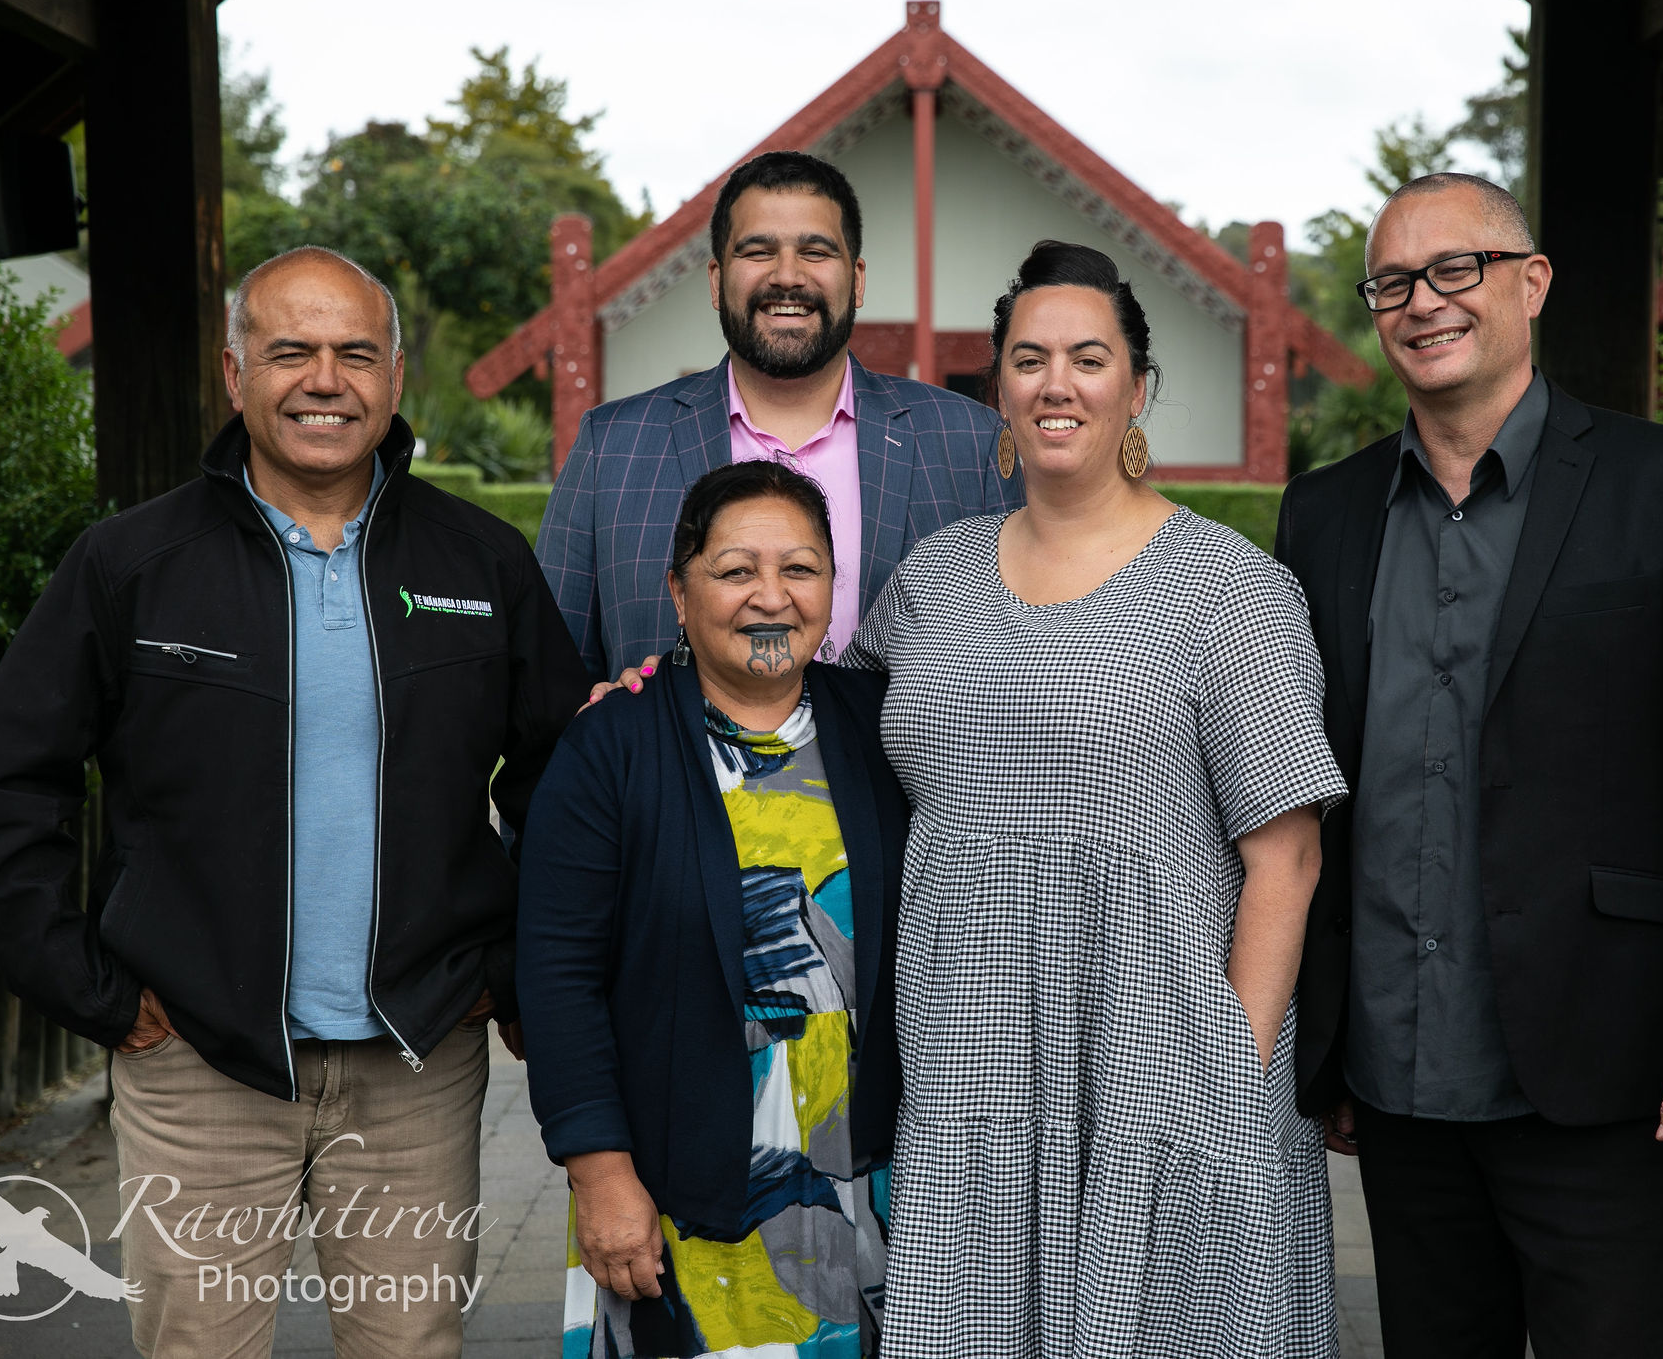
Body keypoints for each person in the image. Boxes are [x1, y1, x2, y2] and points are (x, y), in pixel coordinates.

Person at [0, 246, 583, 1358]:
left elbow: (563, 782)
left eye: (354, 353)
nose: (323, 380)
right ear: (235, 369)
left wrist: (502, 972)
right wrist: (85, 983)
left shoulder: (481, 562)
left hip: (414, 1070)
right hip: (197, 1060)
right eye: (290, 351)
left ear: (394, 378)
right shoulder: (131, 564)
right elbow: (6, 776)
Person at [1273, 173, 1663, 1358]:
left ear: (1530, 282)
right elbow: (1312, 789)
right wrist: (1324, 1035)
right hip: (1398, 1079)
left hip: (1604, 1069)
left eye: (1453, 269)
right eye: (1392, 283)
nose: (1423, 302)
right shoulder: (1323, 515)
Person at [845, 241, 1349, 1356]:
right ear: (997, 389)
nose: (1055, 384)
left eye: (1086, 357)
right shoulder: (928, 581)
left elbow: (1287, 858)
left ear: (1134, 385)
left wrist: (1232, 1065)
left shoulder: (1230, 591)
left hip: (1160, 1058)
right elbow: (823, 751)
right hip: (968, 1063)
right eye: (1027, 360)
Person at [518, 460, 906, 1358]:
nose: (770, 596)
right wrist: (599, 1171)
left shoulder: (880, 725)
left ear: (833, 588)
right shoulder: (611, 744)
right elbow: (558, 974)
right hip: (674, 1187)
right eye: (735, 570)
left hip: (867, 1184)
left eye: (800, 569)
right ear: (679, 592)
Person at [534, 150, 1017, 690]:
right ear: (716, 280)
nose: (788, 277)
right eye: (758, 250)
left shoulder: (971, 444)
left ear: (857, 280)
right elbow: (547, 684)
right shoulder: (614, 448)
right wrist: (599, 721)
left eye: (815, 251)